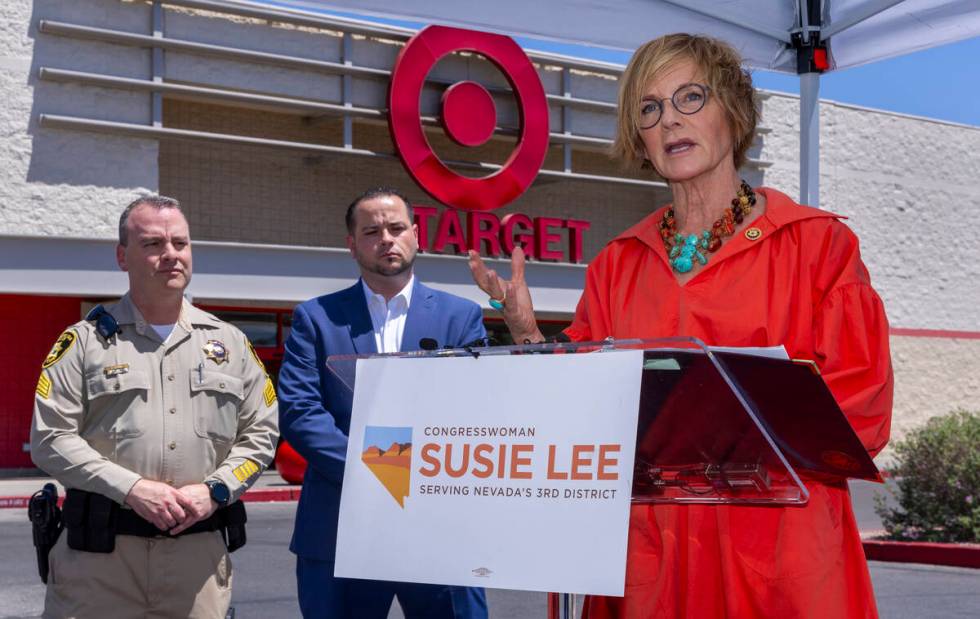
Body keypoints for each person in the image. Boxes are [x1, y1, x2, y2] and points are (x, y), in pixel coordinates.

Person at [469, 34, 892, 618]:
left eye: (690, 97)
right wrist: (527, 336)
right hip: (652, 559)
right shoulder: (618, 262)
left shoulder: (819, 247)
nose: (670, 120)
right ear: (638, 137)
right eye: (650, 108)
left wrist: (711, 427)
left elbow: (861, 413)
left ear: (734, 112)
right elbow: (577, 406)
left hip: (774, 556)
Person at [31, 195, 279, 619]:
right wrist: (131, 487)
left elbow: (261, 435)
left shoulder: (231, 344)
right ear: (122, 256)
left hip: (197, 565)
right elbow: (50, 439)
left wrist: (216, 489)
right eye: (153, 244)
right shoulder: (84, 342)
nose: (170, 255)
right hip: (99, 564)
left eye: (180, 244)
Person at [278, 187, 489, 618]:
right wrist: (375, 469)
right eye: (372, 231)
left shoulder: (461, 317)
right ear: (352, 244)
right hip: (339, 527)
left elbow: (474, 409)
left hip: (438, 528)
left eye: (396, 228)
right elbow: (300, 410)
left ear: (416, 234)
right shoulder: (315, 318)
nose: (386, 239)